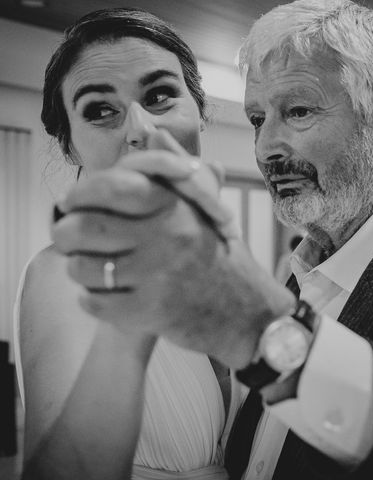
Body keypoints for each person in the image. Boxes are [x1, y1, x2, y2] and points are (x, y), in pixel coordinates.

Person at [49, 0, 373, 478]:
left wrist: (259, 328)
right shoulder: (304, 273)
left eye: (298, 111)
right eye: (258, 119)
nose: (266, 149)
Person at [15, 8, 240, 480]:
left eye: (159, 96)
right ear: (71, 145)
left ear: (199, 112)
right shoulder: (65, 273)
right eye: (100, 110)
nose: (139, 128)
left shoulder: (213, 264)